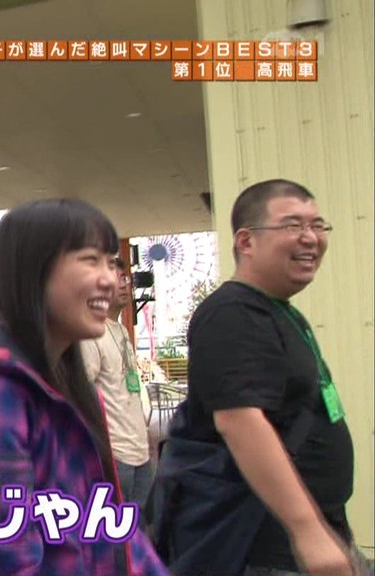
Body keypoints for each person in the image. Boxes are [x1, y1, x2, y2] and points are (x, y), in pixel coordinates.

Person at [0, 199, 168, 575]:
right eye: (90, 260)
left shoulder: (72, 387)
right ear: (33, 273)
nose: (110, 279)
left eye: (111, 263)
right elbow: (2, 560)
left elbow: (117, 537)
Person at [163, 179, 366, 575]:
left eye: (317, 224)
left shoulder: (279, 311)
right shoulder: (232, 313)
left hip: (312, 534)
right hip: (265, 547)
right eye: (293, 225)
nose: (310, 237)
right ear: (246, 241)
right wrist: (307, 531)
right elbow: (240, 421)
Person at [80, 258, 154, 512]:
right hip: (115, 455)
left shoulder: (121, 331)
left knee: (140, 528)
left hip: (141, 452)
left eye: (126, 279)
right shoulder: (91, 333)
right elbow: (82, 393)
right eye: (116, 279)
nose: (124, 285)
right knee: (115, 529)